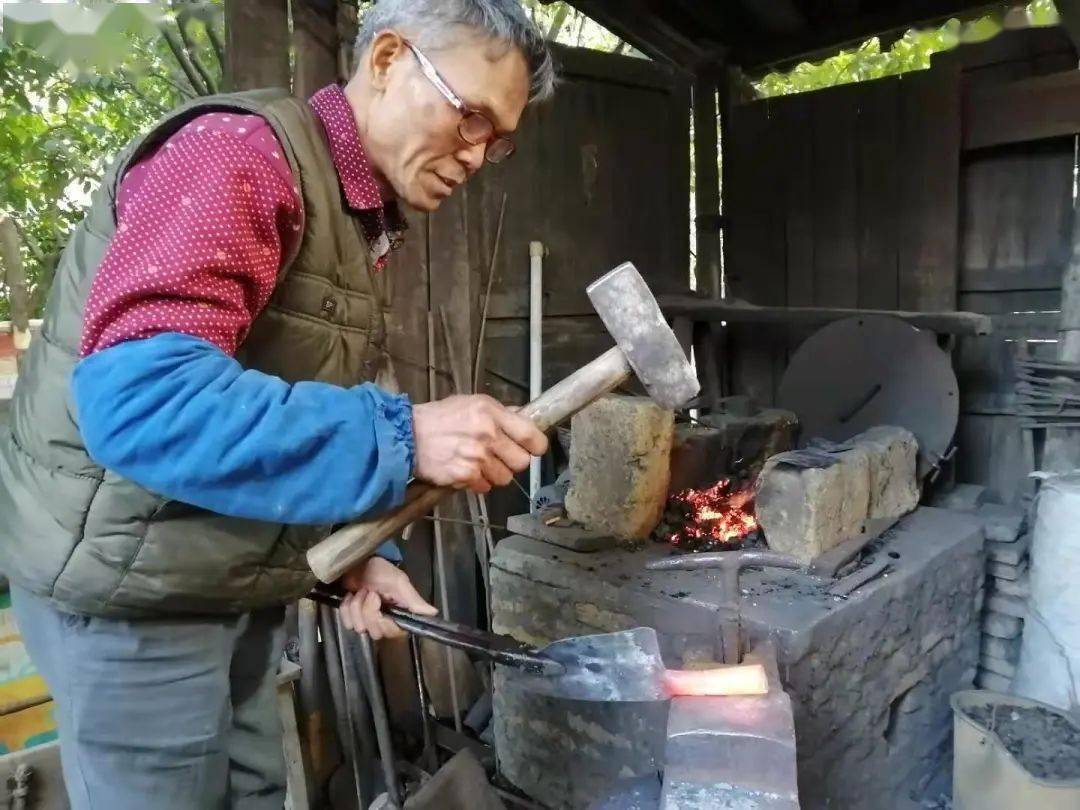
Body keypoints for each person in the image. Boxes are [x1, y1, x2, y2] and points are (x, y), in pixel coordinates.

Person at [0, 1, 555, 807]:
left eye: (495, 138)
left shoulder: (355, 213)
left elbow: (291, 399)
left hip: (227, 572)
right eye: (469, 116)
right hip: (135, 590)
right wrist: (402, 440)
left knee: (259, 793)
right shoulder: (238, 158)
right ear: (390, 58)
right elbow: (142, 402)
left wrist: (363, 551)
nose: (477, 154)